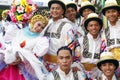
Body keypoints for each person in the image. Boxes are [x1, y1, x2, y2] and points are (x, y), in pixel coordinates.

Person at [0, 12, 49, 80]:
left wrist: (22, 58)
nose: (39, 28)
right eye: (38, 24)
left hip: (26, 63)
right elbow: (12, 43)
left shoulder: (40, 39)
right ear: (34, 22)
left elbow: (36, 54)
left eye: (42, 27)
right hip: (12, 60)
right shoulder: (21, 31)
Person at [43, 0, 75, 72]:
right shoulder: (47, 24)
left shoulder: (68, 26)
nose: (54, 10)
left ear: (63, 11)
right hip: (44, 64)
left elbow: (70, 47)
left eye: (57, 8)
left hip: (59, 65)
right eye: (52, 8)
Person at [73, 13, 104, 79]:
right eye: (91, 25)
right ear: (87, 27)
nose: (94, 27)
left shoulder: (103, 41)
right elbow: (76, 57)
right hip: (81, 72)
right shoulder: (80, 40)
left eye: (96, 25)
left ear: (100, 26)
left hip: (97, 72)